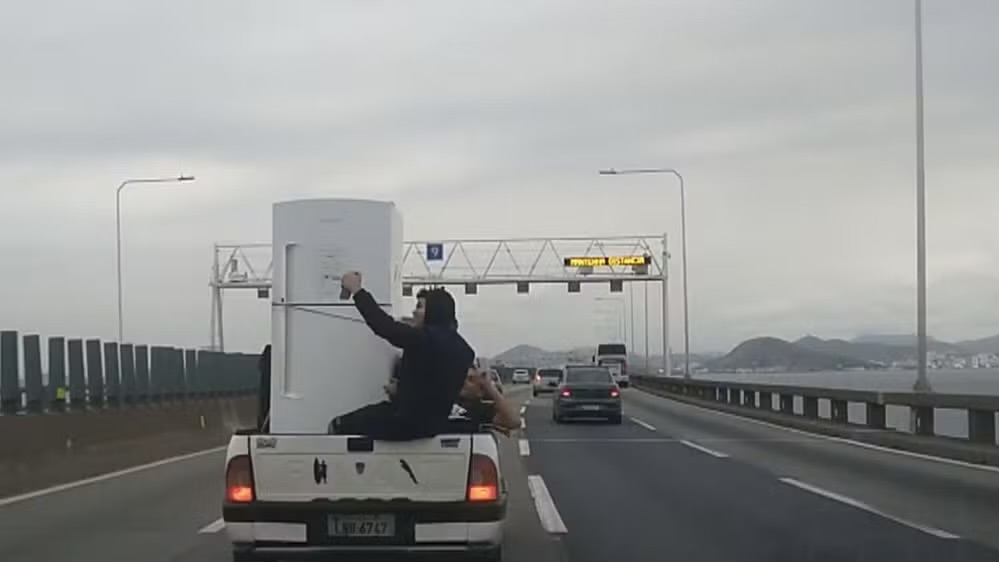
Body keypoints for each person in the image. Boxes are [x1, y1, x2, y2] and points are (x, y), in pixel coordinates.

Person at [328, 272, 475, 440]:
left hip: (402, 422)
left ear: (433, 311)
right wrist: (402, 390)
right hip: (431, 427)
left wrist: (357, 290)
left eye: (420, 306)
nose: (414, 312)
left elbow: (383, 325)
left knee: (339, 426)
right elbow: (432, 390)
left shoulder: (423, 338)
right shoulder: (465, 351)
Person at [451, 367, 521, 434]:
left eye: (470, 379)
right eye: (461, 377)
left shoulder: (478, 409)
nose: (464, 382)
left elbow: (513, 421)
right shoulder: (443, 401)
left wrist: (489, 386)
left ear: (480, 392)